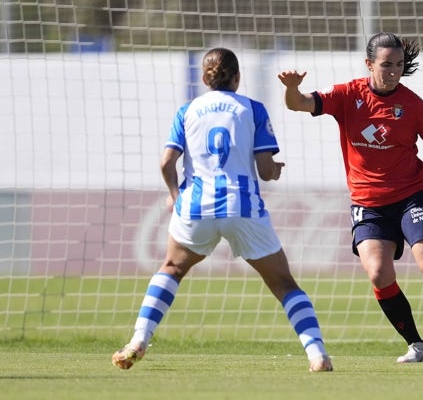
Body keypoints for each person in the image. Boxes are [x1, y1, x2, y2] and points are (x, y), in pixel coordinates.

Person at [277, 32, 423, 363]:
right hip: (368, 204)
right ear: (369, 64)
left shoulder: (411, 105)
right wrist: (291, 89)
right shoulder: (346, 95)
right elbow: (299, 104)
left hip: (413, 196)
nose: (394, 71)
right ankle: (416, 345)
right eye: (387, 65)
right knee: (379, 274)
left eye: (399, 65)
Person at [112, 47, 333, 373]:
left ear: (204, 78)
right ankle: (317, 355)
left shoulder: (186, 111)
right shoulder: (252, 109)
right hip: (241, 206)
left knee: (172, 268)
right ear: (238, 78)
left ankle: (139, 340)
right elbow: (265, 169)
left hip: (196, 207)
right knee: (284, 284)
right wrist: (276, 170)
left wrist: (176, 196)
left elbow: (166, 162)